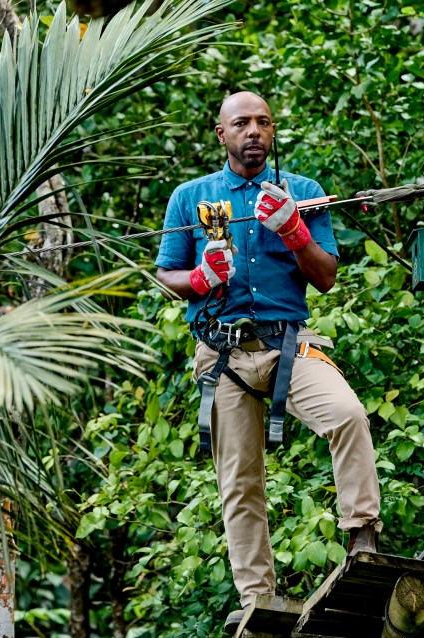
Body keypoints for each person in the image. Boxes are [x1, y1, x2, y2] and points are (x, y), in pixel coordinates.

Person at [155, 91, 381, 634]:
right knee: (238, 479)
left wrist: (294, 230)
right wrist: (202, 280)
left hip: (287, 346)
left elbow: (325, 276)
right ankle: (258, 595)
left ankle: (363, 535)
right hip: (223, 352)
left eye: (262, 122)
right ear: (221, 133)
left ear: (272, 131)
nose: (253, 131)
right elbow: (168, 274)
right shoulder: (192, 198)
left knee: (347, 414)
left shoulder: (302, 193)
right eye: (242, 123)